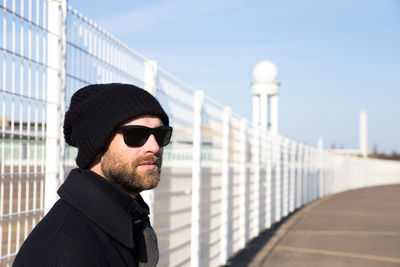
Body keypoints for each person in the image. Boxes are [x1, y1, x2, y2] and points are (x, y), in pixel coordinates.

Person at [13, 83, 172, 267]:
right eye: (136, 135)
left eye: (161, 135)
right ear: (97, 146)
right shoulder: (62, 250)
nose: (154, 147)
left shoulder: (125, 219)